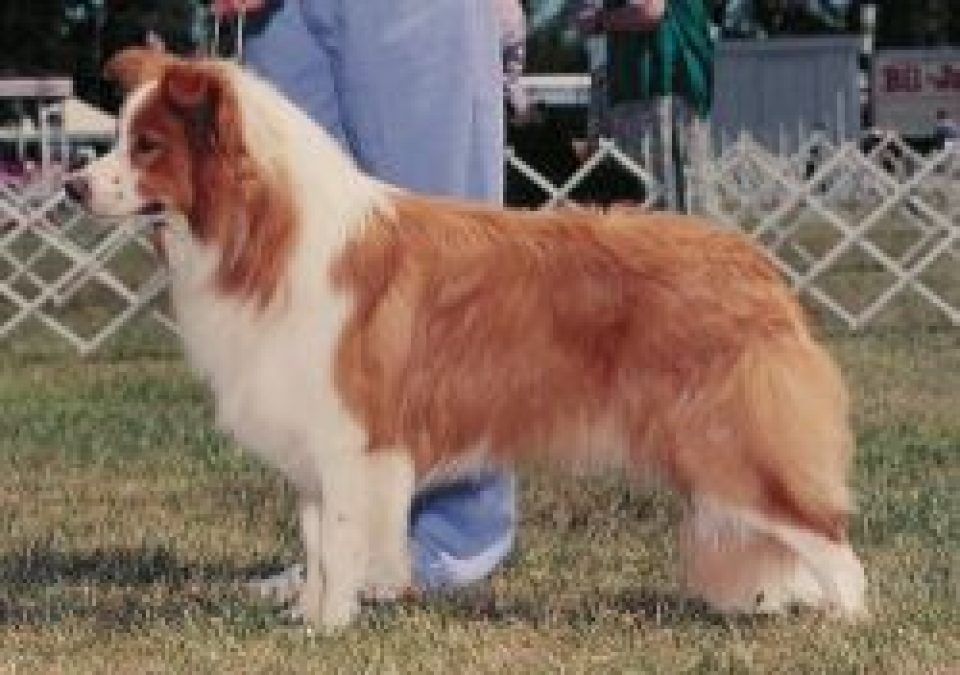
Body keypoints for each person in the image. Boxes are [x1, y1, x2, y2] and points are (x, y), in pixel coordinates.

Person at [211, 0, 517, 594]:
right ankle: (346, 543)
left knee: (445, 262)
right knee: (309, 270)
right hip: (281, 13)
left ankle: (455, 538)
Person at [576, 0, 715, 212]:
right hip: (669, 83)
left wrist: (598, 20)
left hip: (654, 84)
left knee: (651, 197)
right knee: (684, 197)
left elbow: (649, 10)